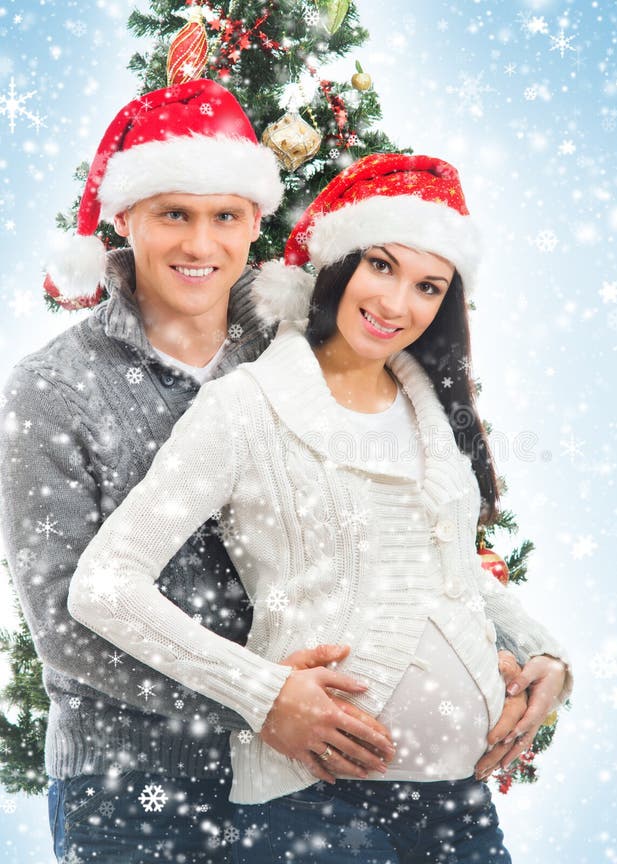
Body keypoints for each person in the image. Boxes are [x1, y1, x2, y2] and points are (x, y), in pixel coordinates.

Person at [67, 153, 573, 862]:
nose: (398, 304)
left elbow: (442, 562)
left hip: (459, 803)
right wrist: (262, 693)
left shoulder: (432, 409)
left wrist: (541, 650)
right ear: (337, 265)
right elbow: (104, 585)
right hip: (314, 807)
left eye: (429, 286)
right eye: (382, 267)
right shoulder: (245, 410)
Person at [0, 79, 394, 863]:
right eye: (172, 213)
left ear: (256, 222)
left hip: (312, 769)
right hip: (131, 783)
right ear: (125, 219)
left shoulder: (306, 361)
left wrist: (515, 649)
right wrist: (261, 700)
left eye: (224, 216)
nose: (199, 244)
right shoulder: (51, 390)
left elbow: (398, 523)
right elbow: (66, 623)